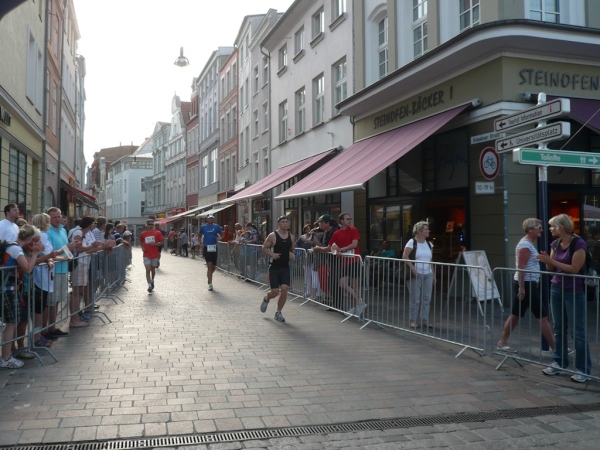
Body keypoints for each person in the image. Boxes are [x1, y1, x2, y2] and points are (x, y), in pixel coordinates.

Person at [537, 213, 592, 383]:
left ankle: (582, 369)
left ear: (561, 227)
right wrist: (547, 260)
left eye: (552, 226)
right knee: (559, 328)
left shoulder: (578, 244)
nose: (550, 229)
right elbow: (552, 269)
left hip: (573, 291)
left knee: (577, 331)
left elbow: (575, 268)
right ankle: (559, 362)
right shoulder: (555, 243)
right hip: (556, 289)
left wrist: (552, 261)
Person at [497, 218, 556, 355]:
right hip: (527, 284)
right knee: (542, 316)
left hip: (528, 283)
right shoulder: (525, 245)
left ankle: (503, 342)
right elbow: (521, 267)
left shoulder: (528, 244)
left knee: (516, 314)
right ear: (530, 230)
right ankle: (555, 347)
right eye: (538, 228)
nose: (541, 230)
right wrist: (522, 287)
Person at [0, 225, 44, 369]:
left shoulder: (12, 246)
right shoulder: (16, 249)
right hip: (9, 289)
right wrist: (36, 253)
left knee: (11, 323)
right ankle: (6, 357)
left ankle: (6, 356)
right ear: (31, 239)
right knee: (11, 324)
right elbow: (28, 268)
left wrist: (32, 253)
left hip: (8, 288)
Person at [46, 207, 78, 339]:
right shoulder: (47, 232)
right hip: (52, 270)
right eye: (54, 217)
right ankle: (49, 329)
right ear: (49, 219)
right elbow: (49, 253)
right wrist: (65, 254)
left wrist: (69, 255)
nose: (57, 219)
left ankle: (53, 327)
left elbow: (65, 248)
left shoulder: (63, 230)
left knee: (58, 299)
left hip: (63, 268)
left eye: (59, 216)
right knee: (51, 301)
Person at [329, 213, 365, 316]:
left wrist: (341, 249)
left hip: (355, 260)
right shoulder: (337, 233)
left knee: (354, 285)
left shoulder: (353, 229)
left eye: (350, 219)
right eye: (347, 219)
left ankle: (356, 307)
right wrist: (335, 251)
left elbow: (354, 244)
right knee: (342, 283)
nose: (349, 220)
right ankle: (359, 303)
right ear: (341, 221)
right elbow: (331, 245)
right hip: (345, 261)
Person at [260, 216, 295, 322]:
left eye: (287, 222)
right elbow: (264, 248)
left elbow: (292, 249)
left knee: (284, 289)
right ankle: (267, 298)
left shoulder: (291, 237)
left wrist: (292, 254)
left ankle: (278, 312)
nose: (285, 224)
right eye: (283, 222)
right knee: (275, 292)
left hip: (285, 267)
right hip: (274, 268)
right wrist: (272, 254)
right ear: (279, 224)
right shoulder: (272, 236)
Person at [402, 221, 435, 329]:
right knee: (415, 299)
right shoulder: (412, 242)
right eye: (426, 229)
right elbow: (405, 256)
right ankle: (413, 320)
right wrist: (413, 269)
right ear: (420, 231)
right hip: (415, 274)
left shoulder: (429, 244)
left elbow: (431, 260)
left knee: (427, 298)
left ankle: (425, 319)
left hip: (428, 273)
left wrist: (433, 274)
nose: (428, 231)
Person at [296, 223, 321, 298]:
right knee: (307, 276)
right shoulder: (302, 237)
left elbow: (314, 244)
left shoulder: (313, 236)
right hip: (305, 258)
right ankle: (308, 291)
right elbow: (296, 244)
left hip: (313, 257)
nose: (308, 231)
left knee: (314, 275)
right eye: (307, 229)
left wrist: (306, 240)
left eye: (309, 229)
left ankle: (317, 293)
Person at [139, 219, 164, 292]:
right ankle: (149, 285)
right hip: (146, 254)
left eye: (151, 225)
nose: (150, 226)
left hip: (154, 255)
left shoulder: (157, 233)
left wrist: (156, 244)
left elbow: (162, 242)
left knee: (153, 270)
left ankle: (152, 280)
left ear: (153, 226)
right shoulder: (143, 233)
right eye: (149, 225)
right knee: (147, 269)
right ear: (146, 226)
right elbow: (140, 241)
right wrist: (142, 247)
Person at [199, 214, 222, 291]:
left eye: (212, 218)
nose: (211, 219)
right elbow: (199, 235)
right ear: (207, 219)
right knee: (209, 265)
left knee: (213, 267)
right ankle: (210, 284)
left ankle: (209, 276)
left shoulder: (217, 226)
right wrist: (201, 243)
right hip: (206, 247)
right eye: (209, 218)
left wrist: (220, 238)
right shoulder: (203, 227)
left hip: (214, 247)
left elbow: (221, 235)